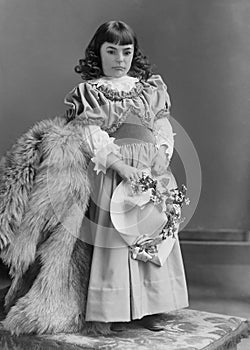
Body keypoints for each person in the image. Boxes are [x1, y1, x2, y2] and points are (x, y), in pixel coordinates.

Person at [0, 20, 188, 336]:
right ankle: (115, 308)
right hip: (114, 175)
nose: (119, 59)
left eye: (126, 52)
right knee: (117, 239)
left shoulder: (149, 89)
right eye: (111, 51)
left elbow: (162, 125)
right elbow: (89, 134)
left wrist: (162, 151)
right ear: (97, 54)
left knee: (153, 233)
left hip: (150, 171)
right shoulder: (91, 93)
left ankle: (151, 306)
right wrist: (119, 166)